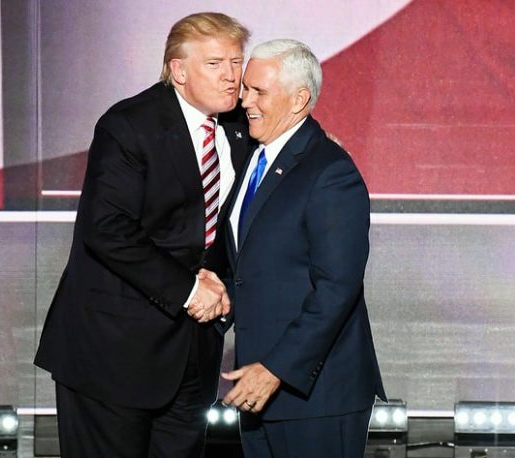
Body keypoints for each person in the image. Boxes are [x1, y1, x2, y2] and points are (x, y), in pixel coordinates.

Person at [34, 13, 251, 457]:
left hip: (192, 355)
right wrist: (190, 289)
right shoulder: (129, 125)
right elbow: (107, 228)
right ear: (178, 70)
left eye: (235, 61)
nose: (231, 76)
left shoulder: (240, 128)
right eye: (215, 63)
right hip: (111, 354)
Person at [220, 39, 387, 458]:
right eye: (245, 89)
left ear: (299, 100)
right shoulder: (255, 160)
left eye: (259, 92)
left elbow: (336, 288)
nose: (245, 101)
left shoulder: (330, 172)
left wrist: (276, 369)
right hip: (258, 391)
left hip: (316, 396)